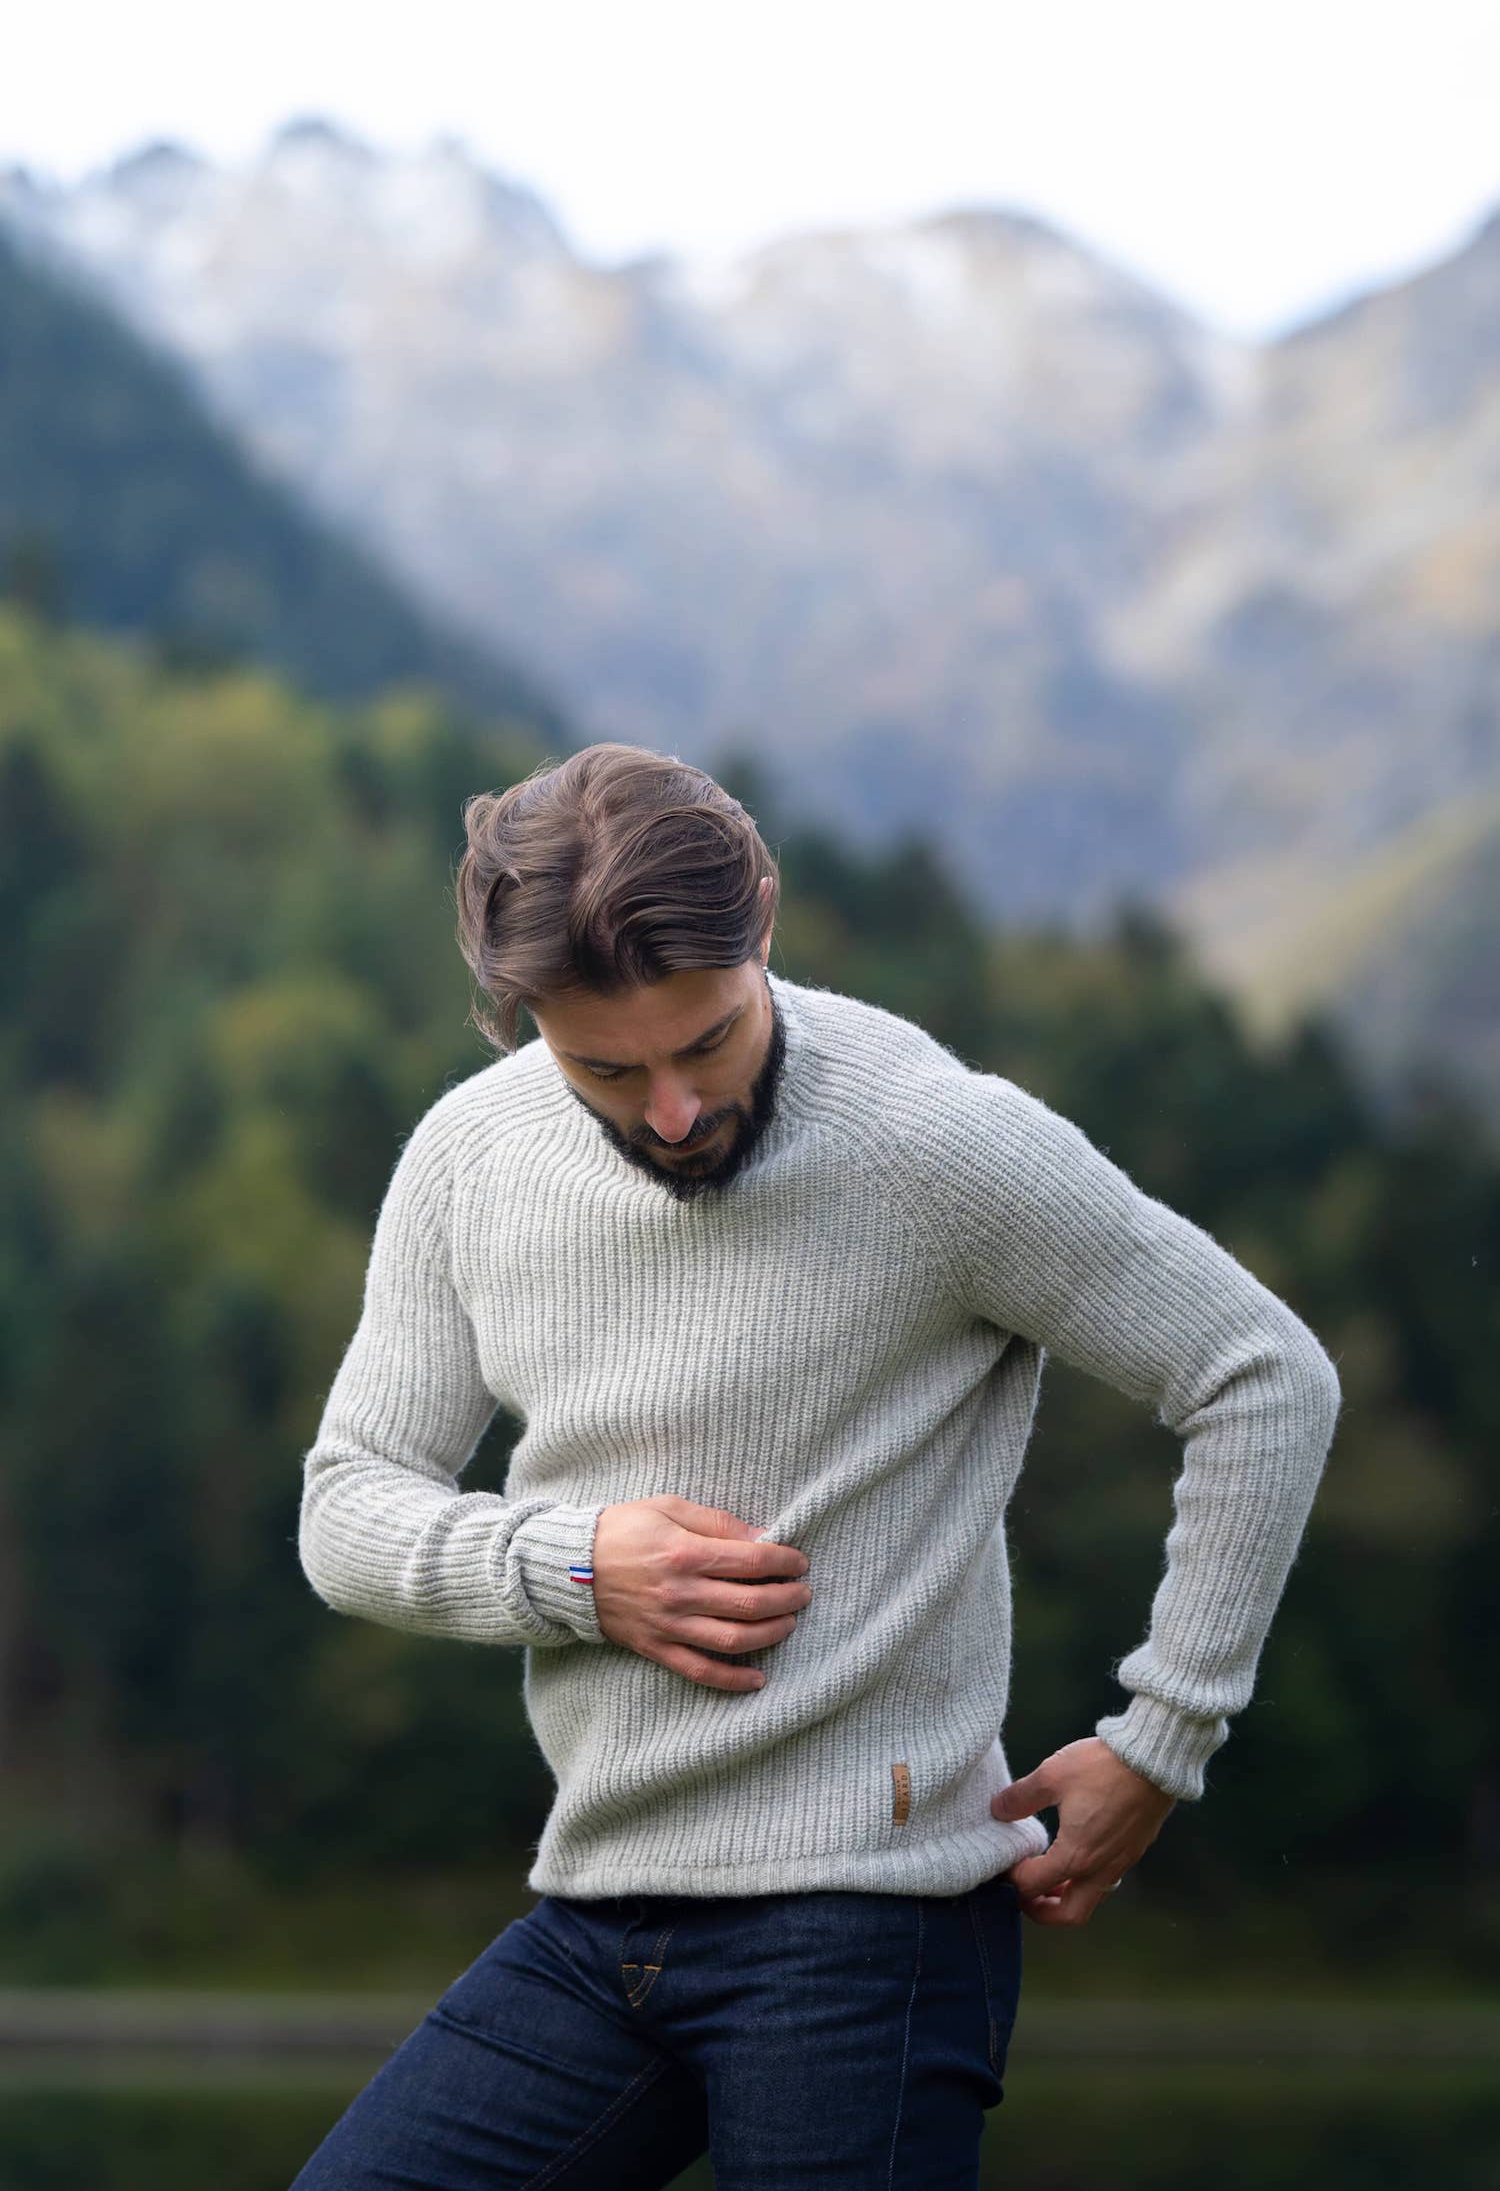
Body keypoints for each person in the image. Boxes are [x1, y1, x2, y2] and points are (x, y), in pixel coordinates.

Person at [290, 742, 1342, 2189]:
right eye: (606, 1065)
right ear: (519, 1011)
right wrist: (577, 1568)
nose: (670, 1109)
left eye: (706, 1042)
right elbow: (346, 1509)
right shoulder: (469, 1159)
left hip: (873, 1929)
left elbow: (1264, 1373)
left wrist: (1164, 1738)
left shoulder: (934, 1140)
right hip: (601, 1911)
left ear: (763, 919)